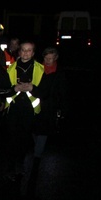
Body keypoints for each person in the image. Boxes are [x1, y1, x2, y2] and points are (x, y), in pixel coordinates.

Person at [24, 46, 67, 192]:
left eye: (51, 58)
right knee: (34, 129)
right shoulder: (38, 70)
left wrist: (60, 107)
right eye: (46, 58)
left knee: (43, 131)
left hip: (49, 108)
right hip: (36, 105)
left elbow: (61, 92)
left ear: (55, 58)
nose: (48, 61)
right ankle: (37, 149)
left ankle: (37, 157)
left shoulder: (59, 74)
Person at [3, 40, 44, 185]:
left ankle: (20, 166)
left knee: (24, 139)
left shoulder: (40, 69)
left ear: (33, 53)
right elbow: (3, 90)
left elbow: (45, 92)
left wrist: (32, 88)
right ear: (19, 52)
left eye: (29, 50)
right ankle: (10, 168)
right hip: (13, 108)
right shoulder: (11, 68)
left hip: (29, 110)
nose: (26, 53)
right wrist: (14, 89)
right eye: (23, 50)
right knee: (12, 139)